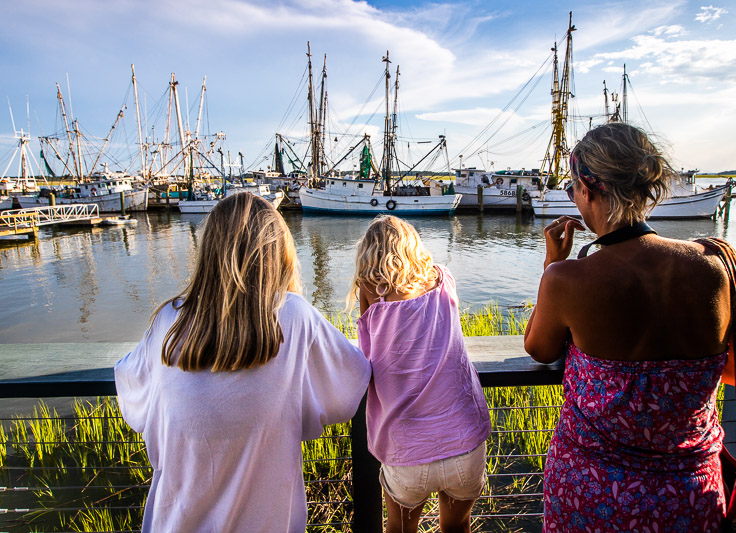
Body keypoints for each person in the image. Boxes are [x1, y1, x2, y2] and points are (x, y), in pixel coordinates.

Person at [115, 193, 371, 533]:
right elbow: (353, 381)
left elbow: (131, 389)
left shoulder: (168, 321)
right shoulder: (294, 317)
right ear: (278, 255)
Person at [524, 122, 730, 532]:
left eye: (571, 189)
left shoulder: (568, 279)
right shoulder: (714, 265)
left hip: (593, 491)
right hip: (689, 493)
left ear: (589, 189)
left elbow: (540, 348)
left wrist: (554, 264)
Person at [348, 215, 491, 533]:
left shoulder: (373, 291)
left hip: (407, 452)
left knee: (400, 530)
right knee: (457, 528)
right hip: (464, 442)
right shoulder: (443, 278)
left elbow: (368, 354)